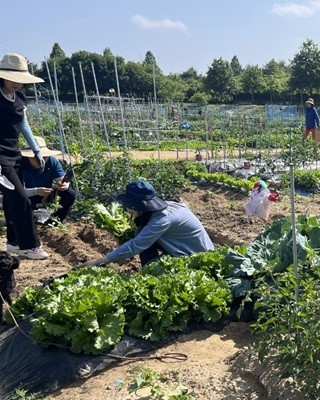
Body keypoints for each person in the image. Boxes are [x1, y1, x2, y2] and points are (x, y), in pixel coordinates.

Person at [76, 179, 214, 268]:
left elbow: (136, 244)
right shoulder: (168, 206)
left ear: (137, 206)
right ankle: (150, 273)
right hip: (190, 251)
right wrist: (122, 254)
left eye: (129, 206)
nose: (127, 209)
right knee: (144, 242)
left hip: (197, 260)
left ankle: (151, 277)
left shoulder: (162, 220)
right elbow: (139, 237)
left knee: (145, 250)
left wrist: (99, 261)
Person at [0, 52, 50, 260]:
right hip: (0, 158)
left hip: (14, 153)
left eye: (20, 80)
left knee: (11, 201)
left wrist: (36, 149)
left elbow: (23, 124)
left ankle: (13, 242)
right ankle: (30, 246)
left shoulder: (19, 97)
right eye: (12, 79)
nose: (16, 84)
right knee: (22, 200)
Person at [17, 136, 76, 223]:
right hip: (26, 196)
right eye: (35, 158)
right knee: (16, 200)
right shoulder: (19, 164)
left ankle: (56, 220)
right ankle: (23, 220)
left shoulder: (52, 161)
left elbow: (61, 178)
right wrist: (36, 191)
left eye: (44, 157)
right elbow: (18, 191)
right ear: (28, 156)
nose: (40, 161)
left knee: (69, 193)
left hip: (46, 194)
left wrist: (64, 184)